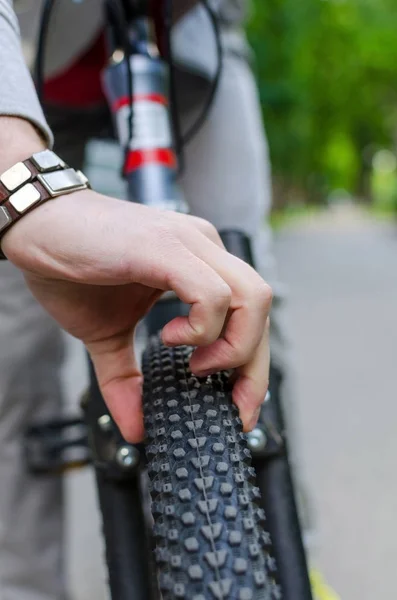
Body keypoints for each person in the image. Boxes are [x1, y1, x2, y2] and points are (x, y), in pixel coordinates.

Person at [0, 1, 338, 599]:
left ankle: (290, 555)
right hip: (23, 47)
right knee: (14, 343)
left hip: (190, 31)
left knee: (244, 293)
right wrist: (18, 180)